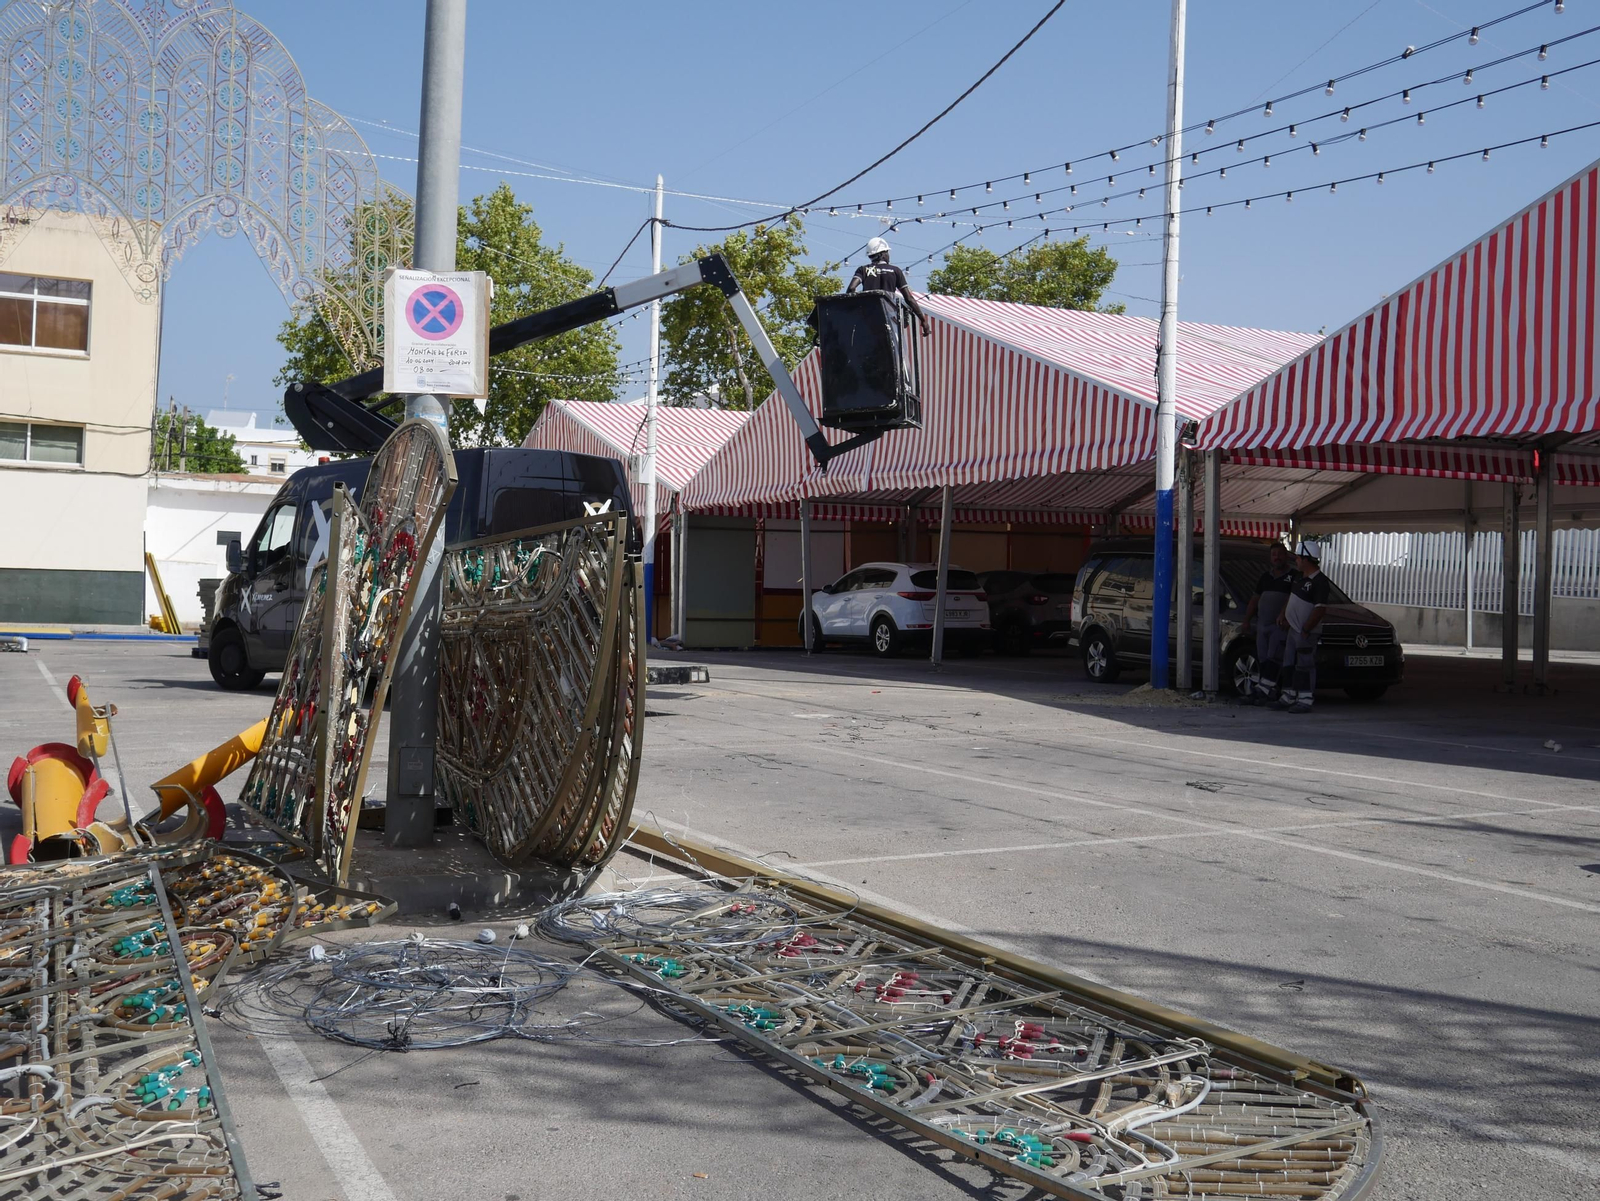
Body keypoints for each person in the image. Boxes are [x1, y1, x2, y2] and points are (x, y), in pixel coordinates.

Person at [1275, 539, 1333, 714]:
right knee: (1289, 663)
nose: (1296, 561)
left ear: (1307, 559)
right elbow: (1292, 599)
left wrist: (1307, 629)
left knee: (1305, 665)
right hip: (1294, 629)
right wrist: (1284, 615)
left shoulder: (1320, 582)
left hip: (1305, 632)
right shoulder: (1300, 578)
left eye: (1299, 558)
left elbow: (1320, 609)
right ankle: (1288, 695)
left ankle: (1305, 699)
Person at [1240, 542, 1295, 705]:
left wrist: (1284, 614)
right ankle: (1265, 691)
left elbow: (1294, 599)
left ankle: (1271, 691)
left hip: (1279, 627)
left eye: (1280, 554)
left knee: (1274, 658)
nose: (1277, 557)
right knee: (1263, 659)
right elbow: (1254, 600)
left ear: (1286, 555)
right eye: (1273, 554)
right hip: (1262, 625)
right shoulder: (1265, 577)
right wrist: (1246, 620)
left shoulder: (1293, 576)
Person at [847, 237, 932, 337]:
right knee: (893, 348)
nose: (888, 255)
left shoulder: (863, 269)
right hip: (889, 317)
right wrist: (923, 320)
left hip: (868, 317)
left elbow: (851, 288)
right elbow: (908, 298)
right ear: (882, 254)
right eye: (887, 252)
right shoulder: (895, 271)